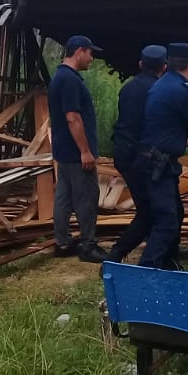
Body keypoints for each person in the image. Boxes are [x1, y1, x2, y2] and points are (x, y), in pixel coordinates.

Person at [138, 43, 188, 269]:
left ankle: (169, 261)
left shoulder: (162, 84)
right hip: (159, 163)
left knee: (176, 214)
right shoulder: (184, 90)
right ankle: (145, 269)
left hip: (153, 159)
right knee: (167, 221)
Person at [48, 35, 110, 263]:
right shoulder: (70, 80)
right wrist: (85, 150)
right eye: (90, 53)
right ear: (80, 51)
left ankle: (63, 242)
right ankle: (88, 244)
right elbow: (73, 117)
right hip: (76, 152)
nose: (91, 58)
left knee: (63, 197)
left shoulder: (59, 76)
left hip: (64, 151)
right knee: (86, 197)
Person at [107, 45, 167, 262]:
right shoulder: (158, 90)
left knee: (148, 207)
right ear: (164, 67)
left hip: (123, 152)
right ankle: (117, 253)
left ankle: (159, 248)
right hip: (141, 157)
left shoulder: (128, 88)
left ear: (141, 64)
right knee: (149, 211)